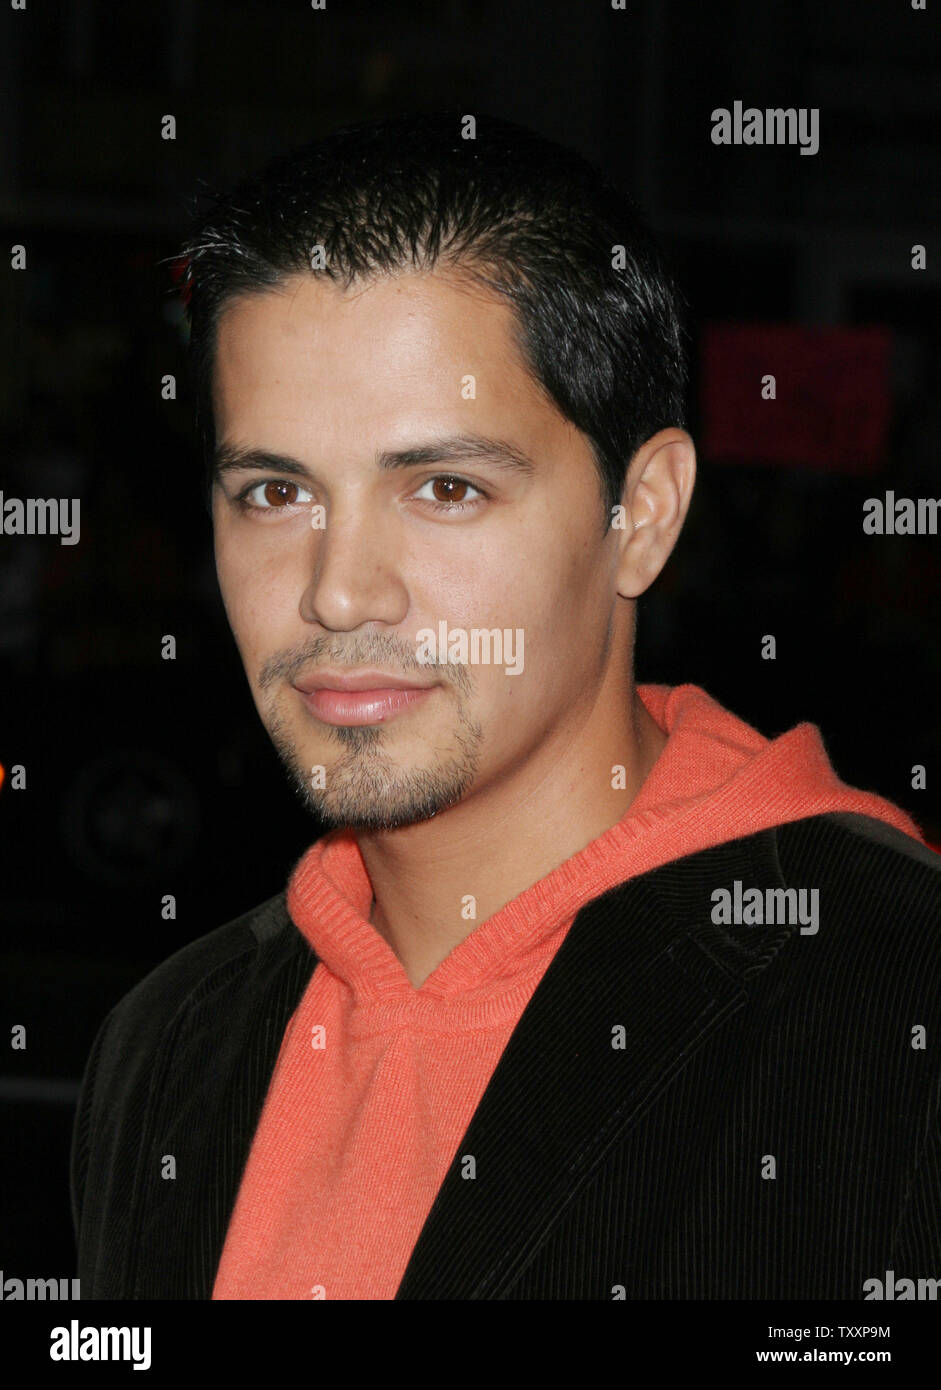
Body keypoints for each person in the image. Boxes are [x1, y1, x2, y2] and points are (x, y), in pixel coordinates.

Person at [71, 111, 941, 1300]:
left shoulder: (892, 1015)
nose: (335, 589)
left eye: (442, 486)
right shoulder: (166, 1048)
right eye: (274, 490)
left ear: (640, 514)